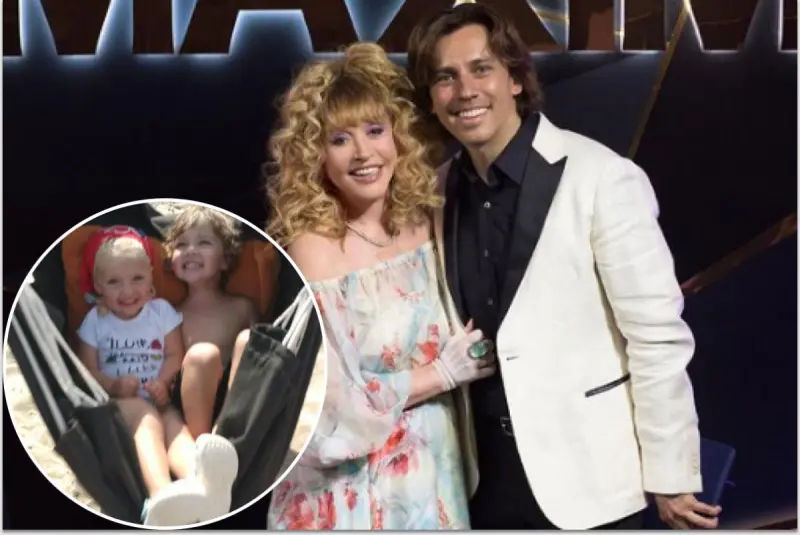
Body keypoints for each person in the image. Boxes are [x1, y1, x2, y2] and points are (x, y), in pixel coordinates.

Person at [406, 3, 722, 531]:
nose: (465, 91)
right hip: (479, 483)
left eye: (481, 69)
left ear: (514, 78)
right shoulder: (436, 192)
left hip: (589, 481)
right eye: (445, 77)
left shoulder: (602, 176)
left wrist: (671, 474)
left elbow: (657, 336)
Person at [263, 42, 496, 530]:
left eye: (375, 131)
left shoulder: (429, 220)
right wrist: (439, 375)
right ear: (316, 155)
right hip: (346, 490)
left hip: (431, 470)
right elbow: (326, 404)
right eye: (339, 139)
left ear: (398, 136)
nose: (364, 153)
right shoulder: (312, 247)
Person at [75, 225, 238, 524]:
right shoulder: (95, 321)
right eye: (114, 282)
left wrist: (162, 382)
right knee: (147, 417)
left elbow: (174, 355)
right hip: (117, 405)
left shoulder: (161, 312)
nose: (128, 291)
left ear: (151, 277)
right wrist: (113, 384)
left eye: (137, 278)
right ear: (98, 286)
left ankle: (203, 487)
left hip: (156, 398)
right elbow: (86, 370)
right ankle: (159, 495)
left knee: (174, 426)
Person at [164, 206, 257, 438]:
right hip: (187, 403)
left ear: (225, 260)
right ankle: (202, 443)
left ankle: (226, 430)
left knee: (250, 340)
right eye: (181, 244)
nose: (190, 250)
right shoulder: (168, 315)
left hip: (234, 401)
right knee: (202, 355)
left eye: (204, 242)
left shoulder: (241, 308)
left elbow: (261, 363)